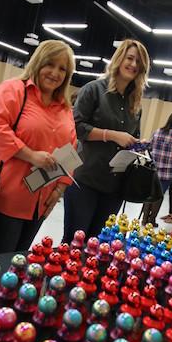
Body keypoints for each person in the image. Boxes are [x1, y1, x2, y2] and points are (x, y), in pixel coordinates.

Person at [0, 39, 77, 255]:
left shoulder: (65, 108)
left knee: (20, 258)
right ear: (38, 62)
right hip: (7, 196)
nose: (55, 73)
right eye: (50, 64)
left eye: (63, 69)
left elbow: (71, 150)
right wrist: (30, 156)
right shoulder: (14, 91)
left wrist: (59, 189)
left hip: (41, 201)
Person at [63, 39, 150, 242]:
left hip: (115, 186)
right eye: (130, 58)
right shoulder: (93, 89)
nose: (134, 65)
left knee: (98, 244)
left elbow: (132, 136)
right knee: (74, 242)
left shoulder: (135, 103)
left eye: (139, 62)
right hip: (84, 179)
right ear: (119, 58)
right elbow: (75, 127)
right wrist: (112, 135)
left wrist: (138, 143)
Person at [142, 112, 172, 226]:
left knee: (150, 193)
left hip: (154, 169)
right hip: (169, 172)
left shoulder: (157, 132)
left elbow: (149, 146)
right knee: (159, 195)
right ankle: (152, 220)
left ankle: (144, 219)